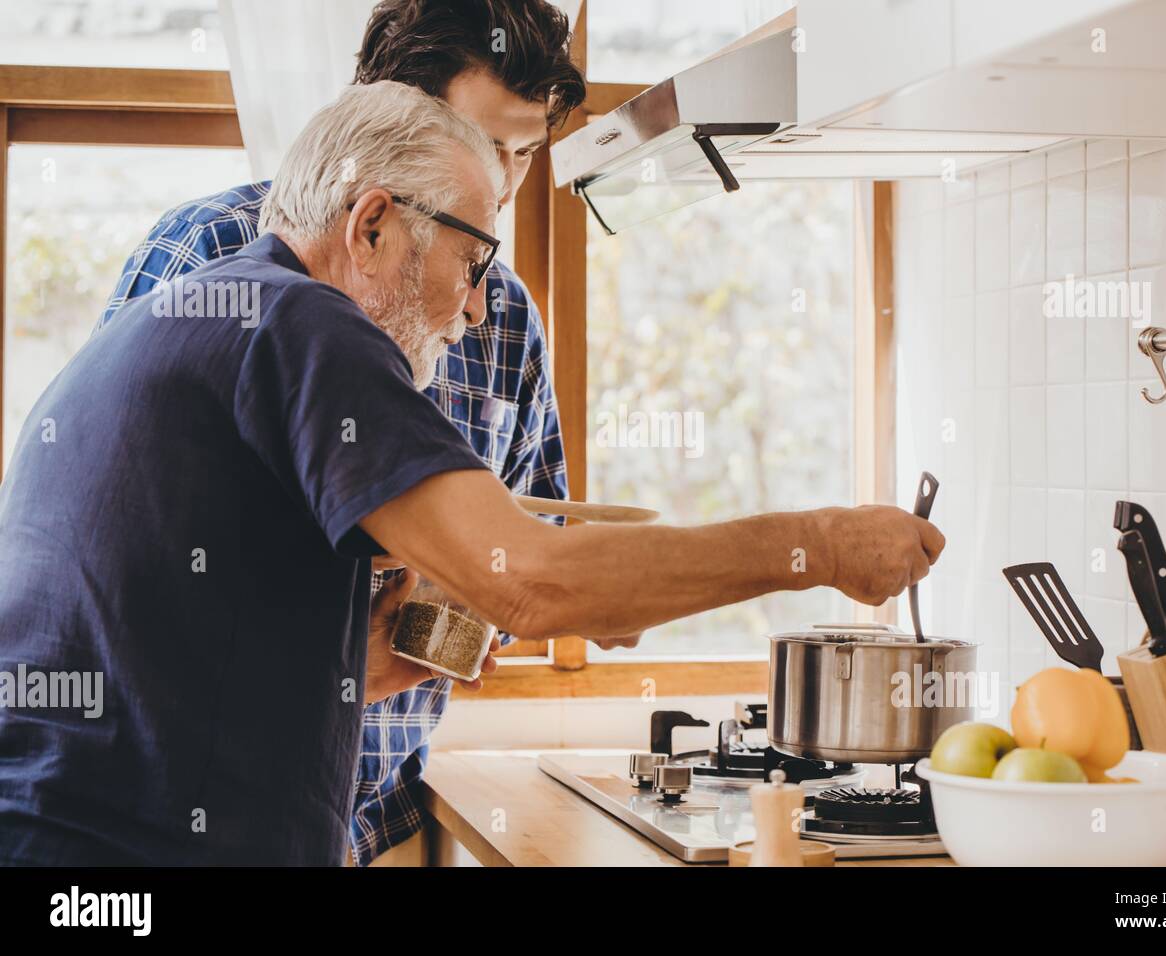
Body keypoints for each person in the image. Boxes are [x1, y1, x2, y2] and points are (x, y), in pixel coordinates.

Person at [0, 81, 943, 865]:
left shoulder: (202, 315)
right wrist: (818, 545)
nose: (484, 308)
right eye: (473, 257)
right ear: (371, 225)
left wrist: (381, 659)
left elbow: (190, 671)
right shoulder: (302, 324)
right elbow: (534, 581)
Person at [97, 0, 589, 867]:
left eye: (525, 151)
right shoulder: (212, 253)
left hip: (376, 813)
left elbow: (531, 548)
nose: (506, 182)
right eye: (483, 145)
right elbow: (120, 552)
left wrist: (450, 607)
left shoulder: (500, 313)